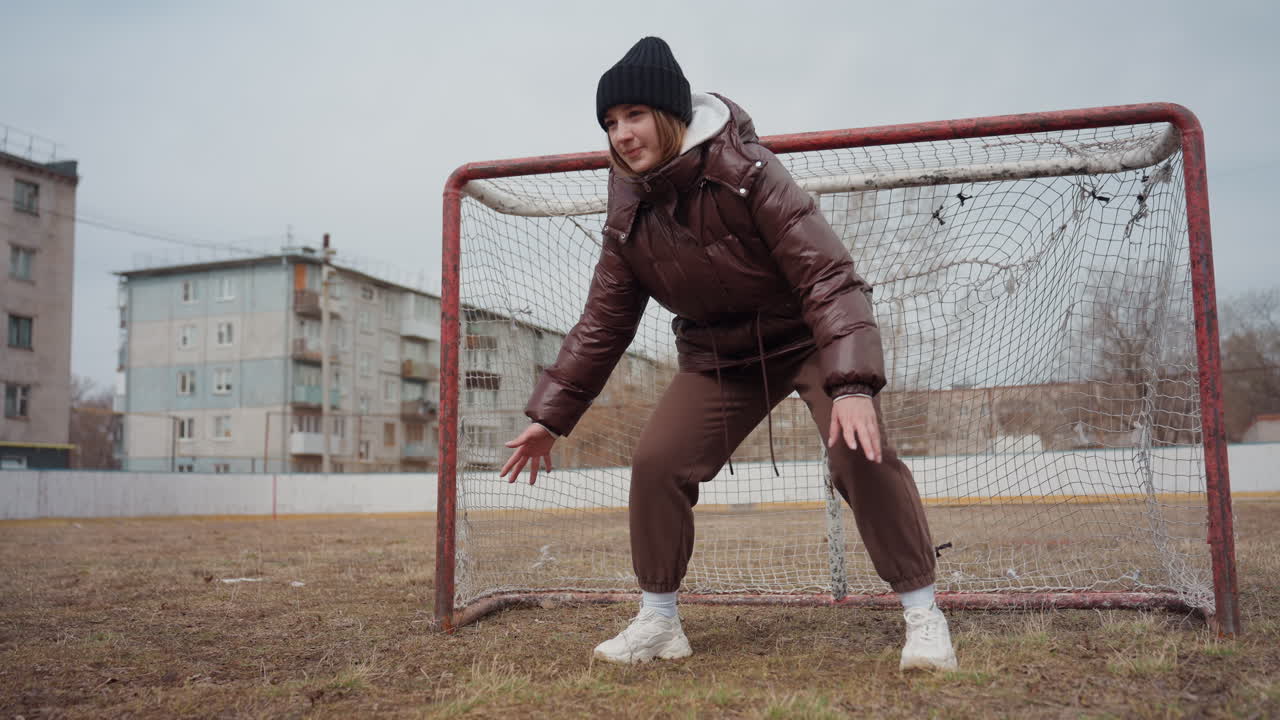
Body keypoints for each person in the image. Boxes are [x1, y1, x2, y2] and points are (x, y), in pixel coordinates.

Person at [499, 36, 957, 671]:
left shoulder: (748, 173)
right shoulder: (627, 206)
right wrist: (551, 416)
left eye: (633, 115)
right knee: (656, 463)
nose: (621, 134)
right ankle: (658, 621)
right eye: (609, 122)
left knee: (858, 448)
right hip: (718, 358)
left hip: (806, 340)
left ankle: (922, 612)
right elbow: (604, 321)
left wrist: (851, 385)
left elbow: (828, 278)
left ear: (669, 113)